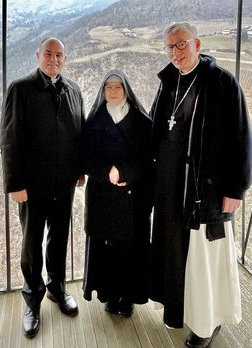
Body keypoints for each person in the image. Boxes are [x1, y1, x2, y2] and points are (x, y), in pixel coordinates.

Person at [149, 22, 252, 348]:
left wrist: (236, 190)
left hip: (204, 191)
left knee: (204, 262)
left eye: (181, 45)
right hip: (171, 188)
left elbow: (241, 139)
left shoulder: (222, 83)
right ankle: (181, 312)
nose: (175, 52)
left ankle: (207, 324)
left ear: (197, 43)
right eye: (169, 47)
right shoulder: (169, 82)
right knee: (179, 258)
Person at [0, 37, 85, 338]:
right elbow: (10, 140)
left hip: (64, 185)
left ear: (66, 58)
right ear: (38, 56)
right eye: (48, 54)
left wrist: (81, 172)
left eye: (59, 55)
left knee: (59, 239)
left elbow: (79, 133)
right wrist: (14, 184)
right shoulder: (20, 89)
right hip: (32, 187)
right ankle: (32, 300)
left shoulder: (74, 90)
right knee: (31, 244)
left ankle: (57, 289)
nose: (53, 59)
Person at [82, 69, 152, 316]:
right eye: (108, 87)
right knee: (107, 250)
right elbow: (85, 158)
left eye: (118, 87)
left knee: (129, 250)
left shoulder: (142, 122)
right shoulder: (94, 121)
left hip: (133, 197)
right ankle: (110, 294)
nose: (112, 91)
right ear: (103, 91)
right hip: (103, 196)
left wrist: (123, 171)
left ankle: (129, 297)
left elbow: (148, 157)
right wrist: (107, 172)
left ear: (126, 90)